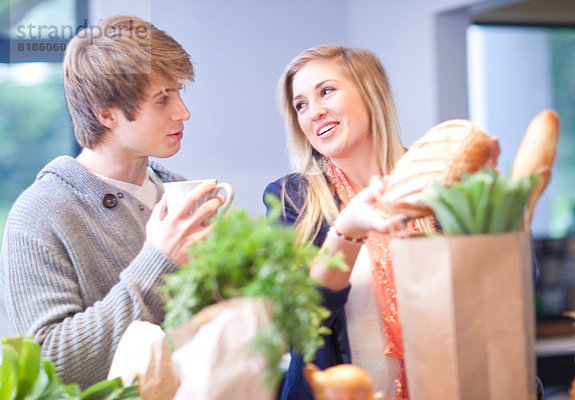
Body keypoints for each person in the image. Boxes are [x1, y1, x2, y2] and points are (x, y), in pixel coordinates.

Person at [0, 15, 224, 389]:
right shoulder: (39, 215)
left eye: (179, 92)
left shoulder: (180, 191)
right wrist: (160, 262)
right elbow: (48, 368)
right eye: (162, 99)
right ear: (105, 114)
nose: (182, 112)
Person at [263, 45, 436, 400]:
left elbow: (505, 288)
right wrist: (345, 232)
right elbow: (299, 322)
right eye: (301, 105)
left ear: (371, 93)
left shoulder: (434, 180)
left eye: (326, 91)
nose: (314, 112)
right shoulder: (293, 198)